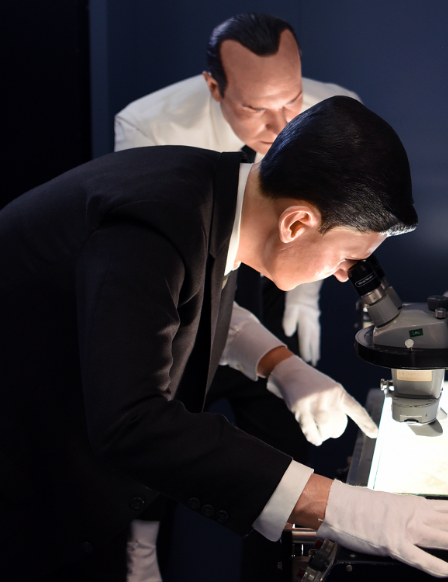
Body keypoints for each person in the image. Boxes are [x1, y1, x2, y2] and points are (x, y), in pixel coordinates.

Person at [0, 97, 448, 581]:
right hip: (26, 484)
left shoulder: (215, 190)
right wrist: (339, 507)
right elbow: (132, 421)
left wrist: (280, 363)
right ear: (297, 223)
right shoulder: (149, 228)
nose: (347, 275)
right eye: (347, 256)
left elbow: (179, 301)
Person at [114, 14, 362, 577]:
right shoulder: (148, 127)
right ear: (215, 88)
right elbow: (167, 278)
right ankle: (142, 551)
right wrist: (275, 359)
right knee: (165, 442)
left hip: (281, 282)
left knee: (281, 448)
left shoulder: (336, 110)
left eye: (292, 99)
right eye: (256, 109)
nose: (281, 125)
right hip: (177, 291)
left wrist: (303, 302)